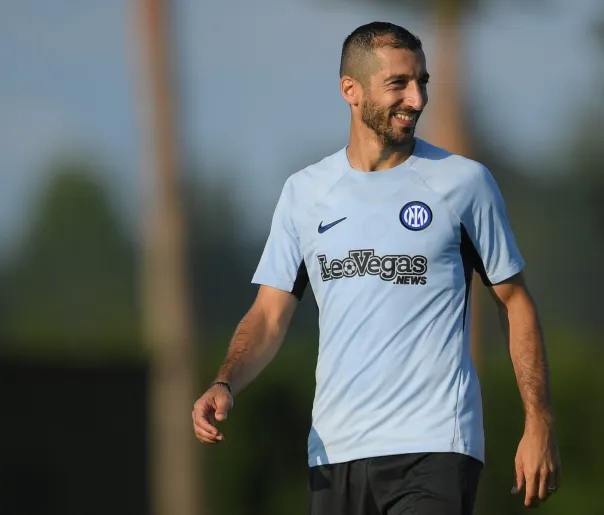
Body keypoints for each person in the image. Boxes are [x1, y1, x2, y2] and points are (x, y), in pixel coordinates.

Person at [192, 21, 561, 515]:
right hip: (333, 454)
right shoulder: (304, 193)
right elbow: (268, 316)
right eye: (398, 84)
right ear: (351, 90)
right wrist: (224, 382)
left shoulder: (464, 184)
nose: (416, 99)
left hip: (436, 446)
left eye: (422, 82)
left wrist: (539, 422)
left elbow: (514, 303)